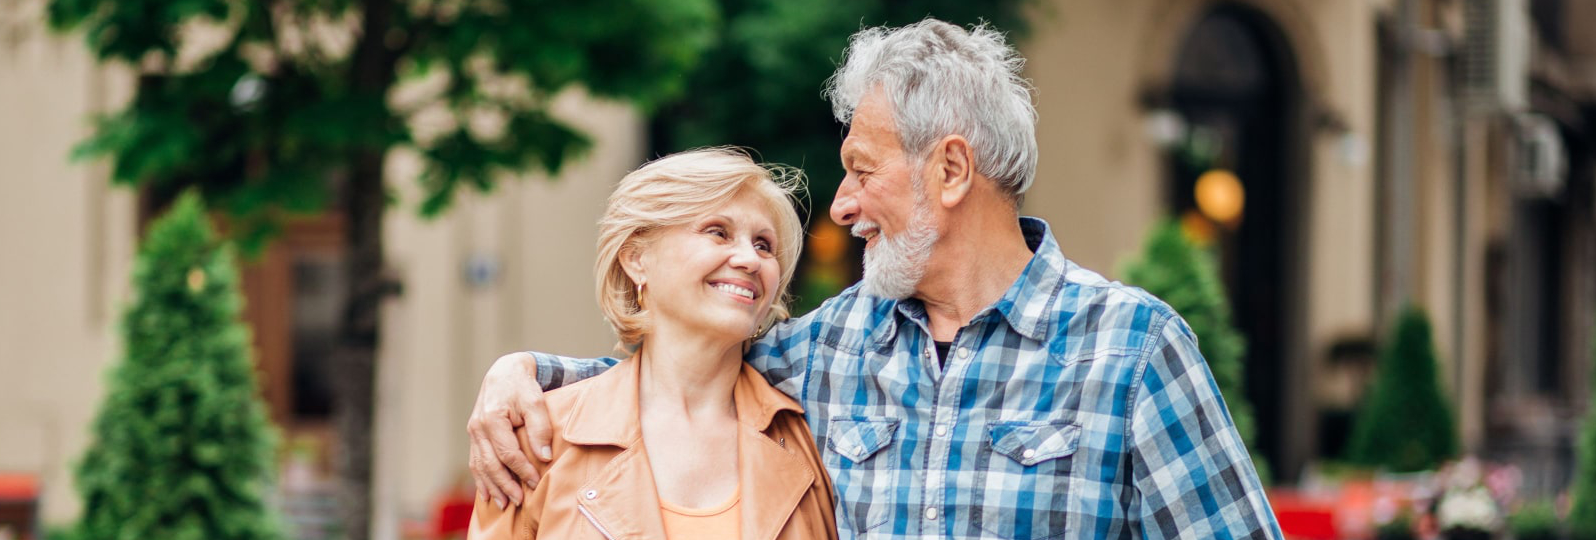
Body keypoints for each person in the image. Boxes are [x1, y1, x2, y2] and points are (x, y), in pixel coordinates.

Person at [466, 18, 1285, 540]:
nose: (846, 203)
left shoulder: (1131, 349)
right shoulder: (828, 346)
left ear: (952, 170)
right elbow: (673, 379)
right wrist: (526, 378)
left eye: (862, 169)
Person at [468, 148, 838, 539]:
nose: (749, 259)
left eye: (764, 244)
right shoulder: (540, 437)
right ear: (636, 258)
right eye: (718, 232)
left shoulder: (813, 435)